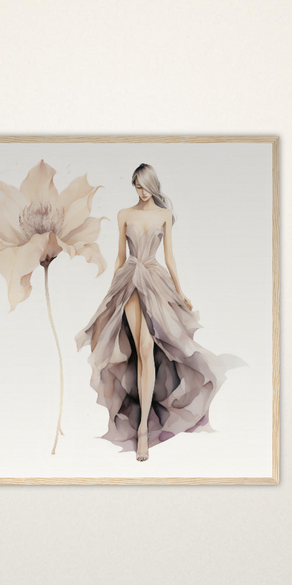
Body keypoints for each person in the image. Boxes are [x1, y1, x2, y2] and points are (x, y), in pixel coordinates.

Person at [76, 164, 224, 461]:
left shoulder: (164, 215)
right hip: (130, 278)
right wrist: (110, 294)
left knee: (146, 351)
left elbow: (169, 256)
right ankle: (142, 431)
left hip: (155, 278)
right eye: (136, 187)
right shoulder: (124, 214)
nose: (140, 192)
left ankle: (143, 427)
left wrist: (181, 292)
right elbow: (120, 256)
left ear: (152, 186)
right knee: (143, 348)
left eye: (144, 187)